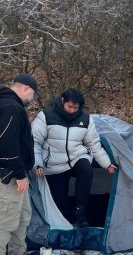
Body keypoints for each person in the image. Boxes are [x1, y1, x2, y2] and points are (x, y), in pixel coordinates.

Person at [32, 88, 117, 227]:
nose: (72, 110)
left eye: (75, 108)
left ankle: (80, 210)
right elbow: (34, 141)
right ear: (62, 101)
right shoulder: (46, 116)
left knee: (86, 169)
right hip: (54, 163)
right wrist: (37, 163)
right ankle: (66, 218)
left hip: (76, 157)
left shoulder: (85, 119)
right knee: (59, 203)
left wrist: (107, 164)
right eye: (69, 107)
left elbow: (94, 144)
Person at [0, 73, 40, 255]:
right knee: (6, 222)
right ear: (25, 88)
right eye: (33, 95)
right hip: (7, 176)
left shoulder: (6, 104)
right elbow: (8, 146)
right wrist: (19, 174)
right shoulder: (11, 108)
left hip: (14, 174)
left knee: (23, 215)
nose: (32, 100)